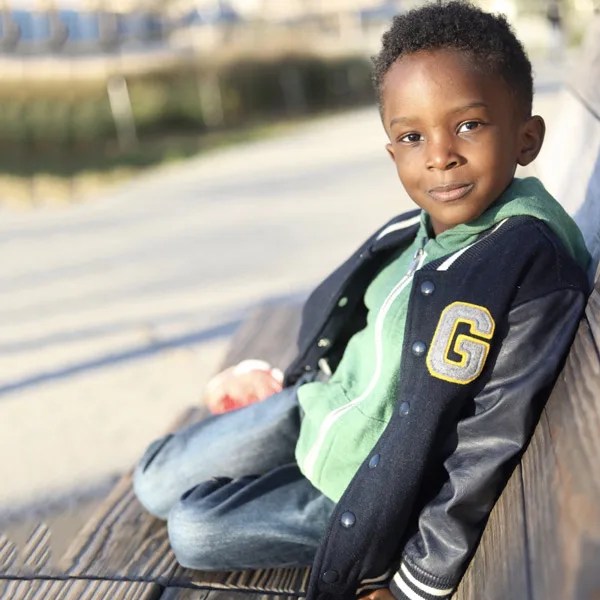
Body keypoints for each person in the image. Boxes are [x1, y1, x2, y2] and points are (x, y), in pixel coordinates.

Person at [133, 3, 591, 599]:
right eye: (411, 136)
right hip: (317, 404)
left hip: (366, 480)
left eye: (469, 125)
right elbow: (364, 315)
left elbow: (490, 439)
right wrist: (295, 375)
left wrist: (415, 582)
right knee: (152, 479)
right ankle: (265, 417)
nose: (440, 154)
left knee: (195, 530)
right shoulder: (431, 221)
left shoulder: (523, 260)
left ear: (527, 138)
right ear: (392, 151)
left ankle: (272, 465)